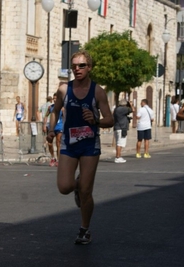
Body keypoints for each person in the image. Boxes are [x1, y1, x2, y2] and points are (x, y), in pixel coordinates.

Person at [47, 50, 113, 245]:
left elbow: (109, 119)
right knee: (64, 187)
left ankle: (84, 229)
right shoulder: (64, 90)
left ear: (89, 67)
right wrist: (51, 130)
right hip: (69, 143)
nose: (77, 69)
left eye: (81, 65)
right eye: (74, 66)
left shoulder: (97, 91)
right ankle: (76, 186)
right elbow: (55, 110)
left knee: (86, 190)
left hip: (90, 145)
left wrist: (96, 121)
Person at [44, 93, 63, 166]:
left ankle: (58, 160)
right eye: (54, 98)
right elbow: (46, 116)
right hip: (51, 127)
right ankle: (53, 157)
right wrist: (44, 125)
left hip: (59, 127)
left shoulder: (62, 108)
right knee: (49, 143)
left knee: (58, 143)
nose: (55, 100)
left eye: (56, 98)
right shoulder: (50, 107)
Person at [113, 99, 134, 163]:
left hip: (117, 127)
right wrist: (131, 104)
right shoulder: (123, 109)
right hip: (122, 128)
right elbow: (132, 110)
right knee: (120, 143)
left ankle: (118, 156)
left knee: (118, 143)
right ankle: (118, 157)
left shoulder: (116, 109)